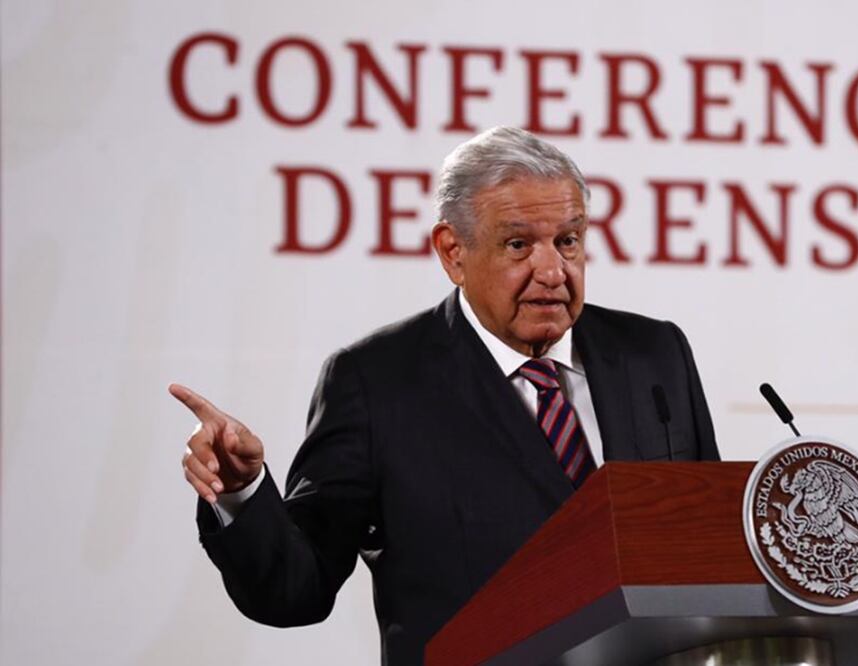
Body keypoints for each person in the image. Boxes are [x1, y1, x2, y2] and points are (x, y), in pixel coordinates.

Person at [173, 127, 719, 665]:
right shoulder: (375, 383)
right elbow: (296, 589)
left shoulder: (654, 354)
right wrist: (243, 492)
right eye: (519, 244)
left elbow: (708, 558)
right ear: (453, 252)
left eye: (568, 240)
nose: (553, 270)